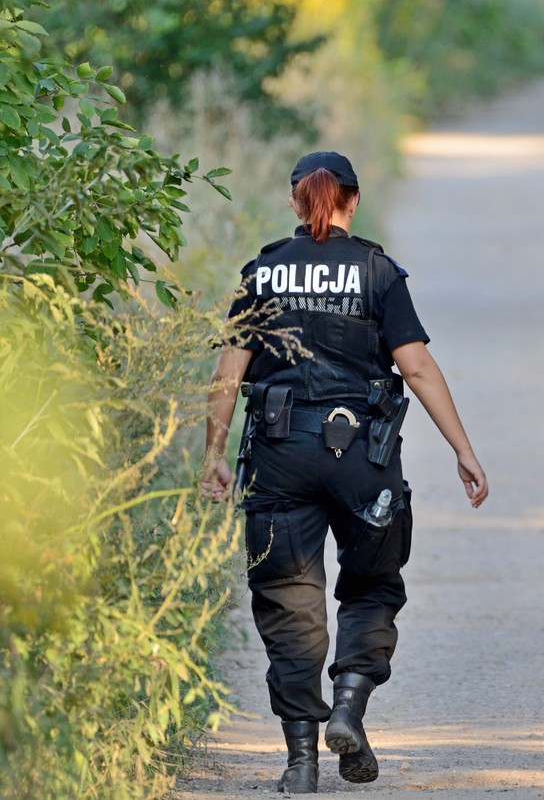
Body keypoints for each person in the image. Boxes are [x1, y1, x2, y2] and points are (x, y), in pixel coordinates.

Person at [201, 151, 488, 793]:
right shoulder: (378, 271)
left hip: (279, 456)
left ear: (294, 202)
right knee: (372, 585)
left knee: (288, 600)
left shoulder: (262, 272)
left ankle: (301, 763)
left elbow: (228, 375)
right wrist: (462, 449)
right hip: (365, 456)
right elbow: (415, 366)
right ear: (352, 201)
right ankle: (350, 708)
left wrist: (214, 453)